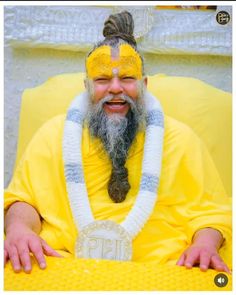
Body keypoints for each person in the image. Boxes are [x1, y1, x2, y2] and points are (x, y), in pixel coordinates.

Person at [4, 11, 231, 274]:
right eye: (102, 79)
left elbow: (211, 212)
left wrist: (204, 244)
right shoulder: (53, 135)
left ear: (144, 85)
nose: (115, 88)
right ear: (87, 87)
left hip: (163, 267)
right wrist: (19, 228)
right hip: (62, 261)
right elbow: (24, 199)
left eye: (126, 78)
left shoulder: (180, 140)